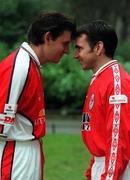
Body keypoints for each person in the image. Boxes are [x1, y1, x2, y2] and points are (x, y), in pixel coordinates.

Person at [0, 11, 76, 180]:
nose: (67, 51)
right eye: (64, 44)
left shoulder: (30, 64)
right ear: (48, 37)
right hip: (16, 155)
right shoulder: (20, 66)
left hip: (27, 150)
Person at [74, 20, 130, 180]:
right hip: (103, 167)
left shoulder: (116, 83)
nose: (75, 55)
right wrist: (92, 170)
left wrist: (108, 176)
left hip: (115, 170)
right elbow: (99, 135)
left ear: (98, 48)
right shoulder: (99, 78)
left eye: (80, 48)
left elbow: (118, 139)